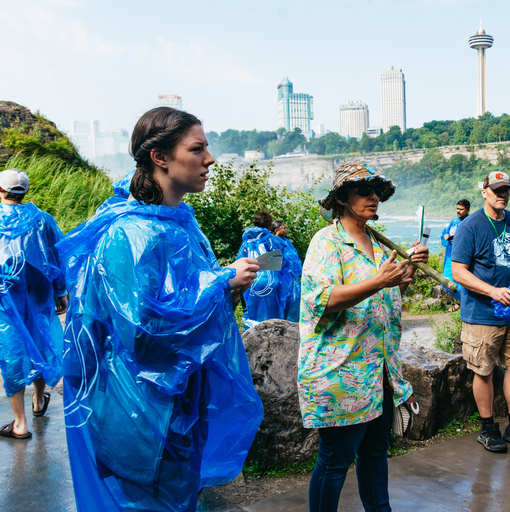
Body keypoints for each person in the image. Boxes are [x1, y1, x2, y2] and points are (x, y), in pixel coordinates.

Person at [57, 107, 264, 511]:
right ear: (160, 157)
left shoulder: (179, 224)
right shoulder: (130, 233)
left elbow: (187, 312)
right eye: (197, 149)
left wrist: (229, 289)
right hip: (142, 419)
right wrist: (220, 284)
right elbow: (141, 333)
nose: (210, 159)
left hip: (178, 409)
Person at [298, 162, 428, 511]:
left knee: (375, 453)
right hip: (341, 374)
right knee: (335, 460)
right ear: (342, 198)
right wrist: (379, 281)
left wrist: (403, 275)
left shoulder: (378, 244)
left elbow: (382, 297)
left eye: (376, 192)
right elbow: (321, 301)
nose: (373, 197)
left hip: (378, 374)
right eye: (364, 191)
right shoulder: (327, 242)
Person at [451, 171, 510, 453]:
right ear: (484, 192)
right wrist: (492, 291)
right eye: (496, 190)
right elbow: (458, 272)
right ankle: (488, 427)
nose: (502, 195)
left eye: (506, 190)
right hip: (481, 314)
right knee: (484, 372)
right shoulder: (470, 226)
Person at [0, 169, 68, 440]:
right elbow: (57, 254)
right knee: (40, 342)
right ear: (25, 191)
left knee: (11, 350)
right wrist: (60, 291)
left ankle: (20, 423)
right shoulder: (43, 219)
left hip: (5, 296)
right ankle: (39, 400)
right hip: (38, 292)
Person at [238, 211, 302, 325]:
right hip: (272, 282)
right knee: (274, 319)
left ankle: (252, 334)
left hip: (252, 282)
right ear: (269, 225)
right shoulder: (275, 241)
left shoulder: (247, 243)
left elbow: (239, 263)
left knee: (253, 317)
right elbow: (289, 263)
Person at [441, 199, 470, 310]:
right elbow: (445, 232)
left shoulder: (471, 222)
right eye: (457, 209)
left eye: (461, 209)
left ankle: (464, 303)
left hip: (463, 257)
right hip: (450, 256)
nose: (458, 211)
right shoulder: (453, 221)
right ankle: (462, 301)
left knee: (462, 281)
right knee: (445, 281)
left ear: (467, 210)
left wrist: (458, 237)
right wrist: (446, 236)